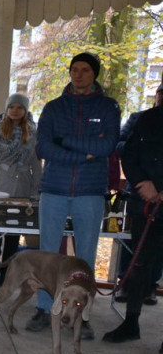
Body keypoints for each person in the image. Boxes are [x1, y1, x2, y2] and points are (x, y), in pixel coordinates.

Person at [27, 52, 120, 338]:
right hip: (54, 188)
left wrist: (64, 141)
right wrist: (86, 152)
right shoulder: (54, 108)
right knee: (48, 254)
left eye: (84, 70)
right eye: (74, 70)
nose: (78, 75)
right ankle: (45, 308)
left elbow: (107, 147)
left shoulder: (108, 107)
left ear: (94, 75)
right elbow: (43, 148)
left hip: (90, 191)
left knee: (85, 255)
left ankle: (83, 312)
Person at [102, 104, 163, 347]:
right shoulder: (147, 119)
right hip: (145, 201)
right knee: (140, 264)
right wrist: (142, 182)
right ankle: (131, 322)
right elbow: (128, 153)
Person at [113, 82, 163, 305]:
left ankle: (151, 286)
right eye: (161, 94)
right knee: (136, 247)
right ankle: (127, 285)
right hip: (141, 196)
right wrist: (143, 183)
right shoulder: (141, 119)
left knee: (159, 250)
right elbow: (125, 148)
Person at [0, 93, 41, 275]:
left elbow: (36, 164)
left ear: (25, 110)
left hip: (22, 186)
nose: (15, 111)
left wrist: (35, 191)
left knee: (13, 234)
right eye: (11, 107)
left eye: (19, 107)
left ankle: (6, 275)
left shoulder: (33, 133)